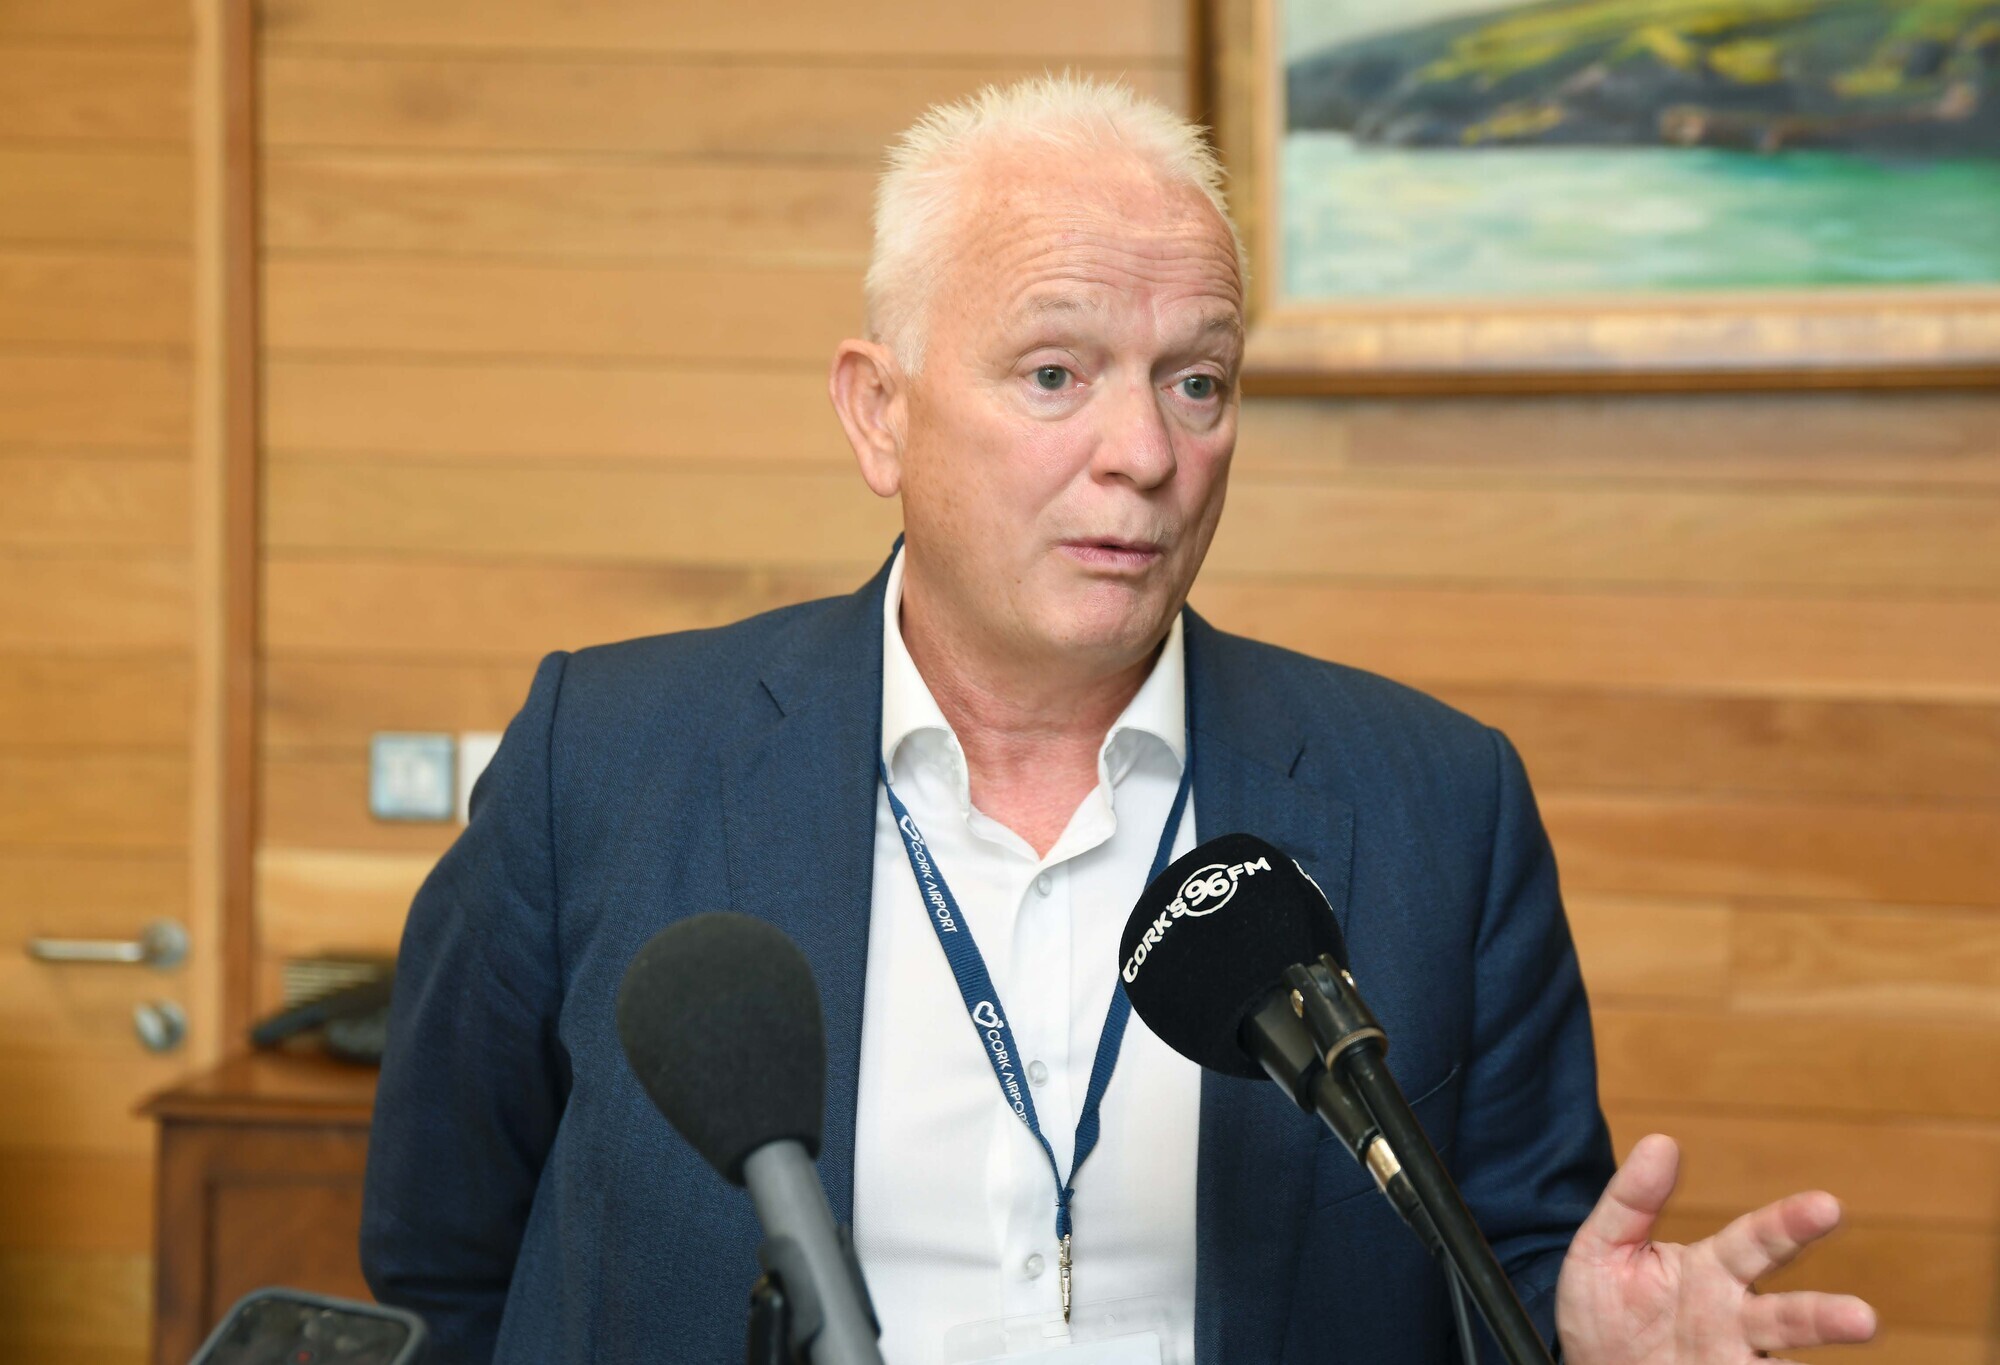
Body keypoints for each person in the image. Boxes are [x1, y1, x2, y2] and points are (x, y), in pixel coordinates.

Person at [361, 76, 1878, 1365]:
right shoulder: (602, 759)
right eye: (1055, 373)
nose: (1145, 451)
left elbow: (1508, 1261)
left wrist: (1583, 1332)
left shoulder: (1437, 801)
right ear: (879, 412)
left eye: (1197, 381)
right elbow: (443, 1259)